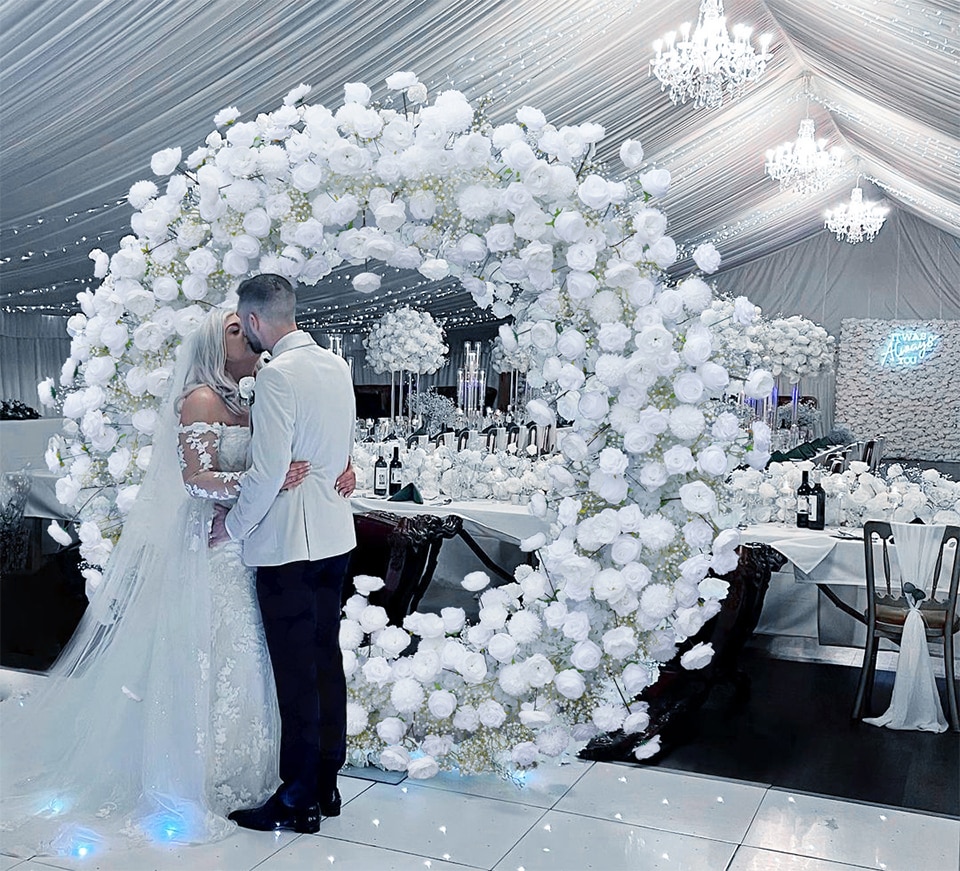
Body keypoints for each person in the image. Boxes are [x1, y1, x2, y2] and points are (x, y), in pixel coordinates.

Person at [0, 307, 354, 856]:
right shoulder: (201, 400)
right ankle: (200, 770)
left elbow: (293, 452)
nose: (250, 337)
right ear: (216, 345)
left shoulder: (255, 394)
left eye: (248, 326)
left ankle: (270, 770)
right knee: (209, 652)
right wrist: (259, 483)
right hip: (211, 549)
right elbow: (197, 480)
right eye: (236, 331)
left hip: (251, 546)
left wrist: (332, 470)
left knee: (255, 660)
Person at [209, 274, 357, 835]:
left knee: (296, 673)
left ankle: (297, 798)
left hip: (289, 546)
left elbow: (269, 469)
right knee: (325, 660)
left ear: (251, 320)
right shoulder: (334, 365)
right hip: (333, 535)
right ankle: (326, 782)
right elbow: (340, 443)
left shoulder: (276, 376)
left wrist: (235, 528)